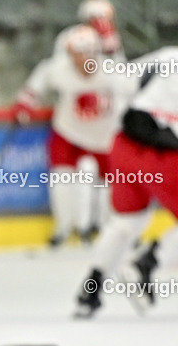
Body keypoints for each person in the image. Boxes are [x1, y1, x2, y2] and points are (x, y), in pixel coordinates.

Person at [74, 47, 178, 318]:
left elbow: (120, 80)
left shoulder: (169, 55)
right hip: (165, 153)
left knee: (126, 222)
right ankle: (148, 262)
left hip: (124, 144)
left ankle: (91, 290)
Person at [12, 25, 136, 246]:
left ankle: (109, 227)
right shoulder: (58, 69)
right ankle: (64, 227)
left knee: (111, 183)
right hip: (68, 131)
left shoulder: (114, 72)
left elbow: (138, 93)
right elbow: (35, 85)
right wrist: (24, 104)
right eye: (75, 54)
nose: (80, 60)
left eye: (85, 53)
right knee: (61, 177)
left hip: (105, 135)